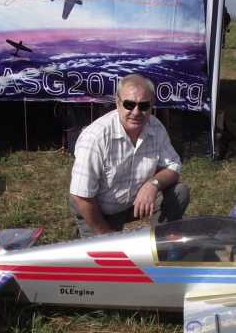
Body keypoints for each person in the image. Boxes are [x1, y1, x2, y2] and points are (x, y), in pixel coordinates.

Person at [69, 74, 190, 237]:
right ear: (117, 103)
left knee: (179, 192)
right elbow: (81, 196)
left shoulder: (156, 127)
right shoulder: (95, 137)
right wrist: (107, 236)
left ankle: (159, 241)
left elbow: (173, 167)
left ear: (152, 105)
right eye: (129, 104)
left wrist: (153, 184)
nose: (136, 112)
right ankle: (90, 231)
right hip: (96, 209)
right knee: (109, 252)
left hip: (132, 203)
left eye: (144, 106)